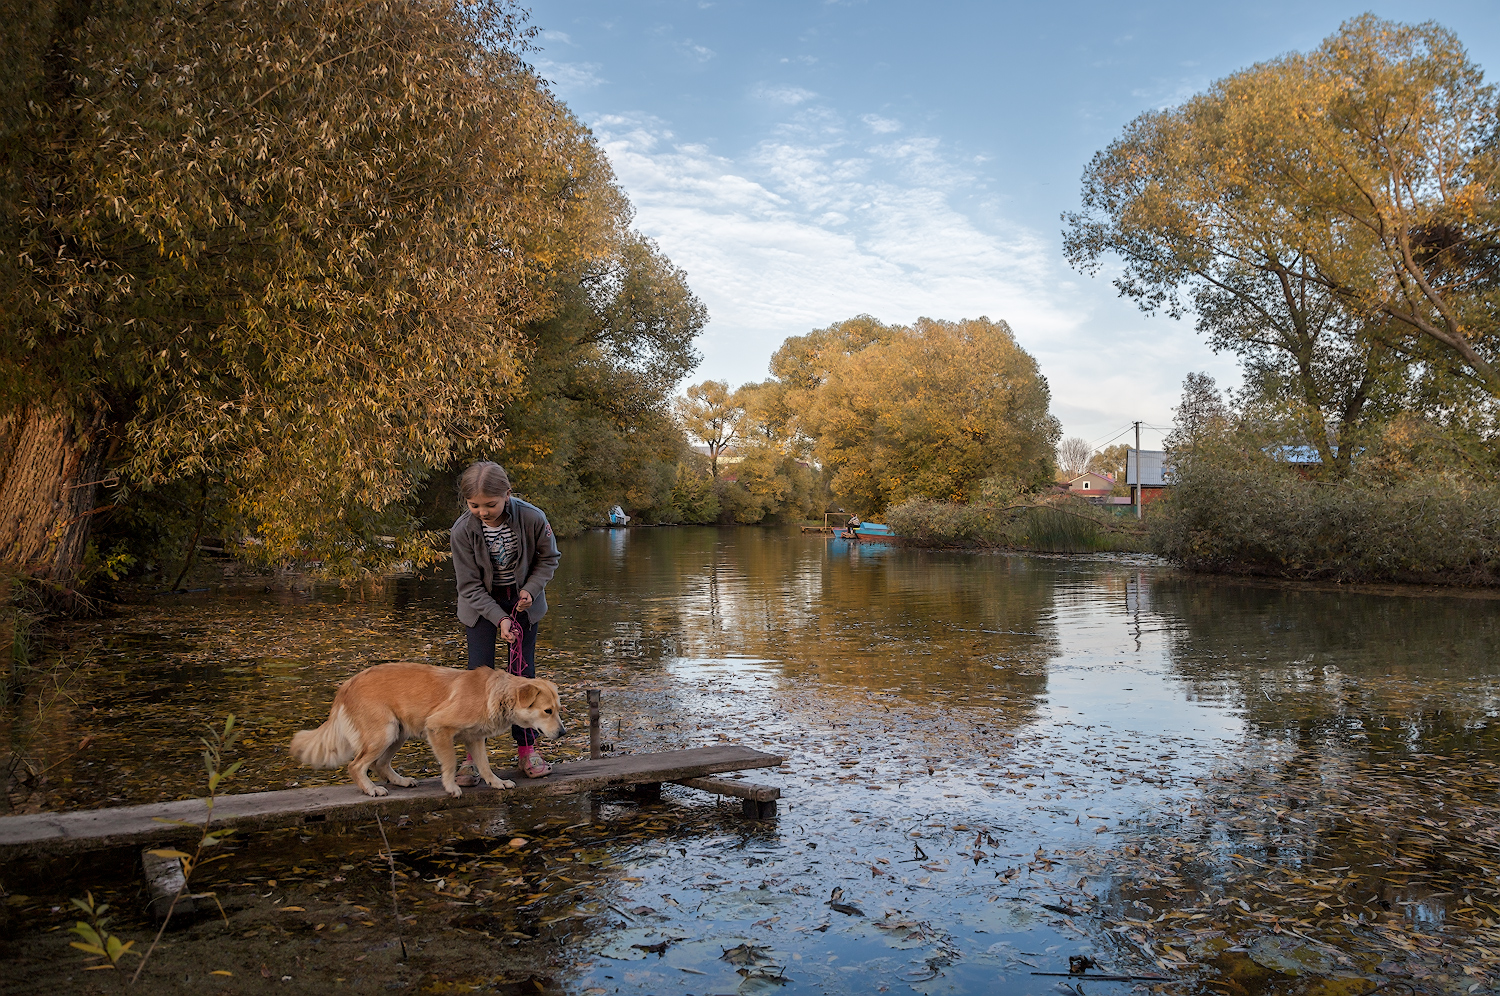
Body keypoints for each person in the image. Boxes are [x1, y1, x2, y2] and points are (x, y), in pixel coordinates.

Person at [451, 461, 561, 781]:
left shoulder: (532, 517)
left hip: (523, 602)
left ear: (507, 495)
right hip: (480, 606)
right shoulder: (462, 530)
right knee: (478, 680)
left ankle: (528, 751)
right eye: (474, 505)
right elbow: (469, 586)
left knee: (523, 679)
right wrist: (499, 619)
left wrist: (530, 589)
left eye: (490, 504)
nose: (482, 512)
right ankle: (473, 757)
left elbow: (548, 558)